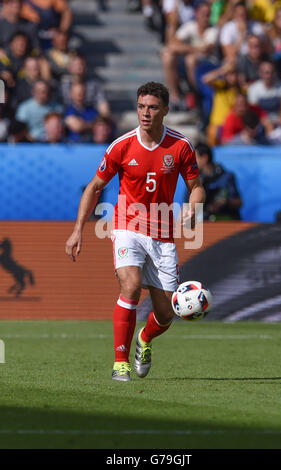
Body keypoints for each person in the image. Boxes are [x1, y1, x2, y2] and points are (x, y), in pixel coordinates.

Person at [65, 81, 205, 382]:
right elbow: (94, 186)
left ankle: (144, 339)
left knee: (168, 313)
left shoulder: (180, 146)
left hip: (163, 234)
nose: (145, 113)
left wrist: (194, 209)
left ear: (165, 110)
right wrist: (78, 230)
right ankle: (120, 362)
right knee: (130, 285)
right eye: (141, 106)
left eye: (152, 107)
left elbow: (196, 187)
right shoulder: (122, 145)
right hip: (127, 226)